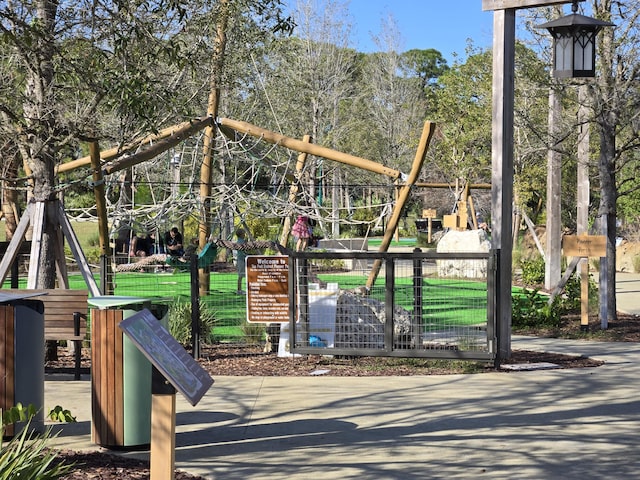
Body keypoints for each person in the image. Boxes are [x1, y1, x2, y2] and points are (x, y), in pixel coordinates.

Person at [235, 228, 247, 295]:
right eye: (244, 234)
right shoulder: (241, 242)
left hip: (242, 259)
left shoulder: (241, 241)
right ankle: (239, 290)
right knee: (241, 275)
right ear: (241, 234)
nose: (244, 235)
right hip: (241, 259)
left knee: (242, 275)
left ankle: (240, 289)